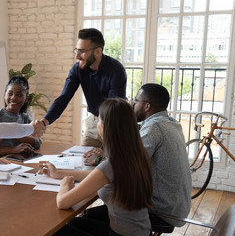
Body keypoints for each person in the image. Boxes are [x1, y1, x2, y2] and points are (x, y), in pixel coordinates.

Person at [82, 83, 192, 228]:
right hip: (177, 207)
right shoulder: (171, 123)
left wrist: (99, 159)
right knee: (93, 214)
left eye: (136, 100)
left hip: (161, 211)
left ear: (147, 106)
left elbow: (125, 164)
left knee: (87, 217)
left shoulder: (154, 128)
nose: (132, 104)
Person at [40, 98, 153, 236]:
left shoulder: (112, 164)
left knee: (56, 230)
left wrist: (65, 185)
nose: (97, 124)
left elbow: (62, 202)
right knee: (74, 223)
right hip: (141, 231)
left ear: (106, 127)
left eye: (99, 120)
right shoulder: (135, 154)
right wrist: (58, 173)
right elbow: (98, 175)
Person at [40, 28, 127, 148]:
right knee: (83, 161)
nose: (77, 56)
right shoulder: (77, 69)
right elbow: (64, 98)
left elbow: (114, 108)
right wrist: (43, 122)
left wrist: (103, 148)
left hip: (114, 124)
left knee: (109, 162)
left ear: (97, 51)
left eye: (81, 51)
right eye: (76, 50)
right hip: (93, 122)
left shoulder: (116, 70)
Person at [0, 76, 41, 156]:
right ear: (5, 95)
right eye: (10, 94)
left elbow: (38, 142)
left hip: (18, 163)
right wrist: (12, 149)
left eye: (19, 95)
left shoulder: (25, 118)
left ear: (26, 98)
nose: (13, 98)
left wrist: (8, 133)